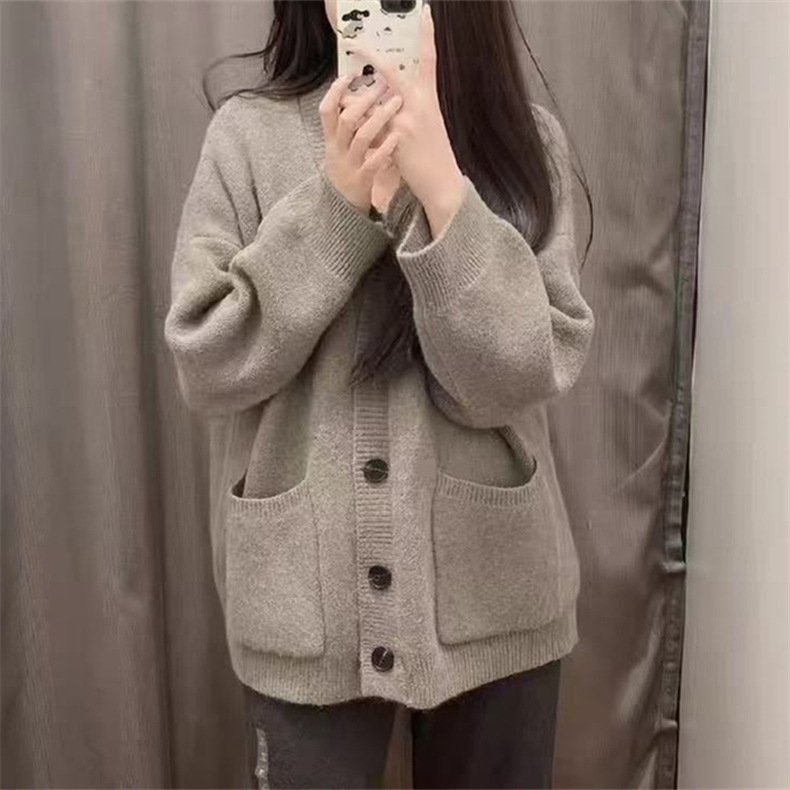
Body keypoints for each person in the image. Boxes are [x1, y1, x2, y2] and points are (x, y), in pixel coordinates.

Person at [164, 0, 595, 787]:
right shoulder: (246, 138)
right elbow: (208, 361)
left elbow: (519, 376)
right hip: (304, 608)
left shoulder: (523, 141)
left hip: (498, 595)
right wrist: (336, 202)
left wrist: (442, 190)